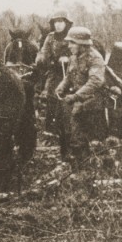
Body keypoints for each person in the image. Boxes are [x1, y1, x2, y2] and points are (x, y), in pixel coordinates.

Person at [55, 26, 107, 165]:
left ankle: (86, 167)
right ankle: (75, 162)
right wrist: (61, 86)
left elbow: (95, 82)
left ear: (82, 45)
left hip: (92, 102)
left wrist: (76, 96)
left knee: (87, 139)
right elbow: (69, 76)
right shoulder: (74, 57)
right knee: (69, 132)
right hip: (78, 100)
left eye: (72, 43)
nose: (69, 46)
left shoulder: (95, 58)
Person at [35, 9, 74, 145]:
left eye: (61, 22)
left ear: (66, 23)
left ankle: (69, 131)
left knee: (68, 100)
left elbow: (78, 53)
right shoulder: (50, 37)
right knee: (51, 98)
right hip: (54, 73)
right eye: (55, 22)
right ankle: (50, 132)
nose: (58, 25)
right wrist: (43, 59)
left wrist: (68, 58)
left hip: (70, 74)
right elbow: (44, 53)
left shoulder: (72, 36)